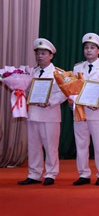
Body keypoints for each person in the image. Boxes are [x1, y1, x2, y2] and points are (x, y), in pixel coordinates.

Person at [18, 38, 67, 186]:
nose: (40, 56)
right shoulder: (31, 72)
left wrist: (50, 101)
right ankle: (34, 174)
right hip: (33, 114)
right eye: (38, 53)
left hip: (49, 115)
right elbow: (27, 91)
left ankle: (51, 173)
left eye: (43, 53)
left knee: (50, 146)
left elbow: (65, 93)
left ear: (51, 55)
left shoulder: (58, 73)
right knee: (33, 146)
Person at [71, 33, 99, 186]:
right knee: (81, 144)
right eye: (86, 48)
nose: (89, 50)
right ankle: (83, 174)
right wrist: (72, 100)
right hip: (80, 111)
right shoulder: (77, 67)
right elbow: (72, 88)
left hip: (98, 112)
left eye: (92, 48)